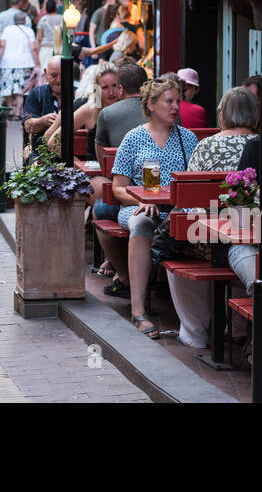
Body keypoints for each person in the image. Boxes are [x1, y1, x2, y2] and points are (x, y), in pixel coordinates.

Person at [167, 86, 261, 347]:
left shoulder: (206, 146)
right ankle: (239, 326)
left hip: (207, 239)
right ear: (255, 116)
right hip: (253, 232)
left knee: (176, 248)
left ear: (222, 116)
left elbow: (189, 198)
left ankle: (195, 330)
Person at [111, 78, 199, 340]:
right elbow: (118, 188)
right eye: (168, 101)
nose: (175, 108)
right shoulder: (134, 138)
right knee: (141, 223)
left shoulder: (187, 137)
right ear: (151, 104)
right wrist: (141, 201)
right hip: (139, 207)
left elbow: (196, 181)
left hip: (176, 209)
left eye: (177, 102)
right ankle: (138, 310)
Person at [91, 61, 147, 296]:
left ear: (121, 89)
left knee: (100, 209)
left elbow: (104, 163)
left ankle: (123, 274)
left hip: (129, 196)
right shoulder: (165, 113)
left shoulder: (108, 114)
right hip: (161, 195)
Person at [0, 10, 38, 120]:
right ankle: (18, 112)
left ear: (14, 21)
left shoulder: (7, 30)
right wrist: (37, 63)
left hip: (7, 63)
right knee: (21, 89)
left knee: (8, 88)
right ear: (24, 21)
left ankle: (11, 110)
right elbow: (33, 48)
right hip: (25, 62)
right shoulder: (29, 31)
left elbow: (2, 46)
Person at [22, 59, 66, 152]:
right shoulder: (36, 93)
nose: (58, 80)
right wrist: (43, 121)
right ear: (45, 72)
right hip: (41, 150)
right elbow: (27, 125)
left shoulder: (78, 94)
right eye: (54, 76)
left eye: (63, 75)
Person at [35, 0, 63, 66]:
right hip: (59, 48)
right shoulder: (61, 18)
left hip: (45, 49)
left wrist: (37, 52)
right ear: (55, 7)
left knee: (45, 71)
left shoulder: (42, 19)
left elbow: (39, 38)